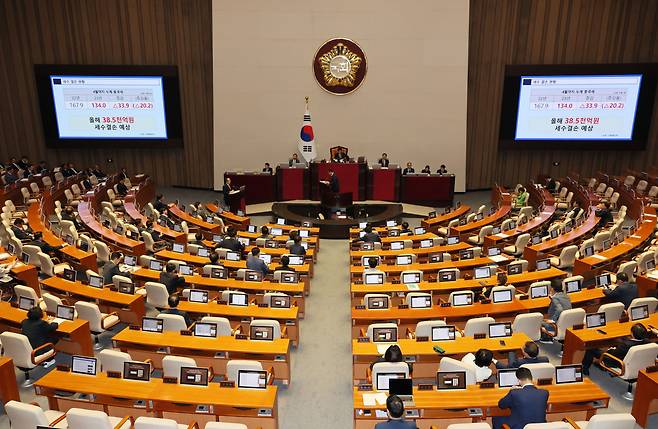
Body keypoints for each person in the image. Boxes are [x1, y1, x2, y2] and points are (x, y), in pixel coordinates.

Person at [582, 323, 649, 376]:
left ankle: (585, 368)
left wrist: (610, 349)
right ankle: (599, 364)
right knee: (617, 342)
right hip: (637, 364)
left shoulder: (626, 345)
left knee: (591, 348)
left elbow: (613, 354)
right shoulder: (648, 342)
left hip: (617, 362)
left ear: (632, 333)